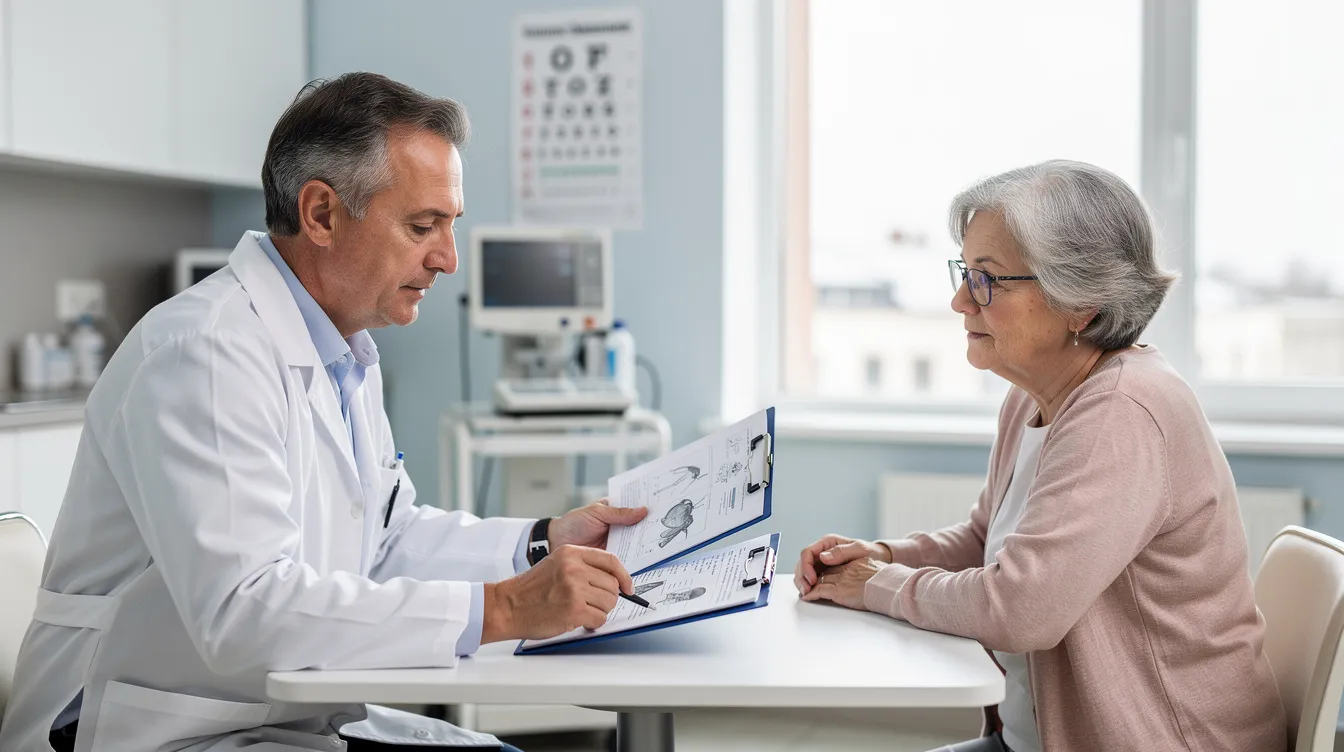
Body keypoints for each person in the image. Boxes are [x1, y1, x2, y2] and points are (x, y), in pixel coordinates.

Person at [0, 72, 648, 752]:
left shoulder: (341, 349)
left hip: (267, 715)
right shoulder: (206, 351)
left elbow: (388, 541)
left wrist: (545, 540)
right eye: (423, 226)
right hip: (148, 729)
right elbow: (244, 610)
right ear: (321, 215)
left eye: (450, 227)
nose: (448, 259)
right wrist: (506, 607)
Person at [794, 160, 1287, 751]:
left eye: (987, 279)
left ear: (1082, 302)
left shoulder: (1121, 412)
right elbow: (986, 540)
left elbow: (1021, 609)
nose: (959, 300)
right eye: (964, 271)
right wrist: (880, 555)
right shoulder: (1034, 395)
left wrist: (877, 583)